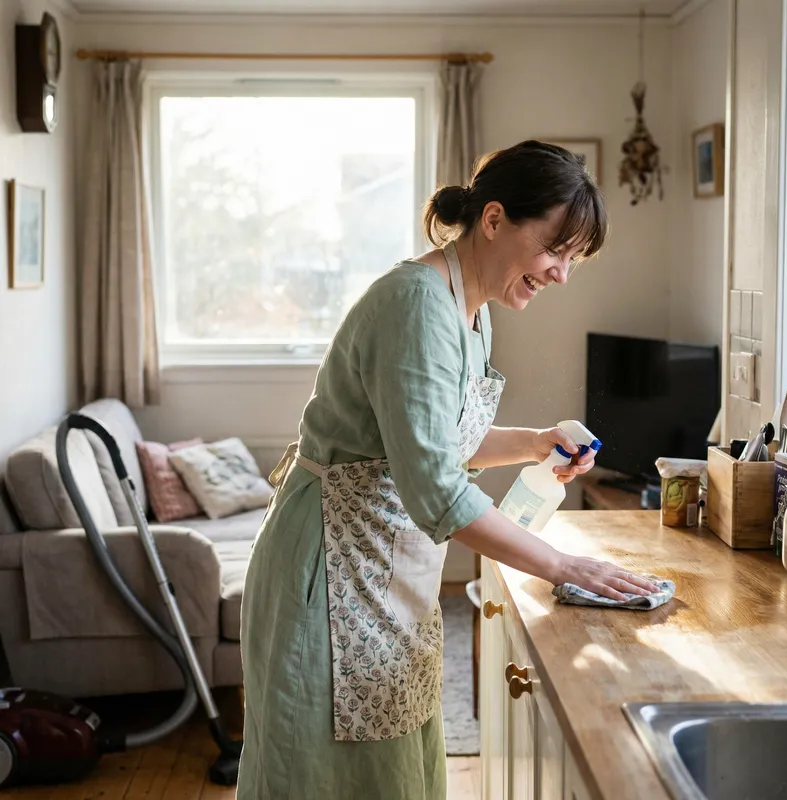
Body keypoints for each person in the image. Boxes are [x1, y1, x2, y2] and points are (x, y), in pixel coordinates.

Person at [237, 139, 658, 800]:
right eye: (554, 250)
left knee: (388, 771)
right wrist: (564, 566)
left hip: (381, 568)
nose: (561, 275)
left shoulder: (473, 309)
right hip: (328, 571)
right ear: (494, 220)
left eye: (573, 260)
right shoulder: (415, 304)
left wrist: (536, 441)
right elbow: (437, 490)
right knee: (321, 777)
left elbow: (434, 441)